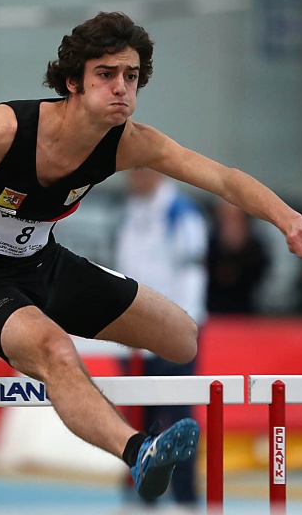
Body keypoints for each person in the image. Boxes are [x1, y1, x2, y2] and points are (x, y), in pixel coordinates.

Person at [0, 12, 302, 502]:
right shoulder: (0, 128)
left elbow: (223, 178)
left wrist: (287, 219)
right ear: (73, 83)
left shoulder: (128, 143)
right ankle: (138, 451)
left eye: (131, 76)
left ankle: (59, 358)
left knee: (182, 339)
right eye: (106, 75)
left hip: (40, 263)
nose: (121, 88)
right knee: (56, 351)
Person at [115, 167, 208, 511]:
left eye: (141, 171)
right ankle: (141, 495)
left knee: (180, 417)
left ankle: (186, 498)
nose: (134, 178)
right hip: (135, 333)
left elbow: (193, 274)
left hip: (174, 331)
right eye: (131, 172)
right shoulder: (130, 213)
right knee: (140, 417)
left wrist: (184, 331)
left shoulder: (181, 213)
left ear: (157, 172)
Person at [206, 199, 271, 314]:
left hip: (246, 310)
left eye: (235, 218)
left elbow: (260, 272)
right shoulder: (207, 242)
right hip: (212, 309)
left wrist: (240, 249)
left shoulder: (255, 246)